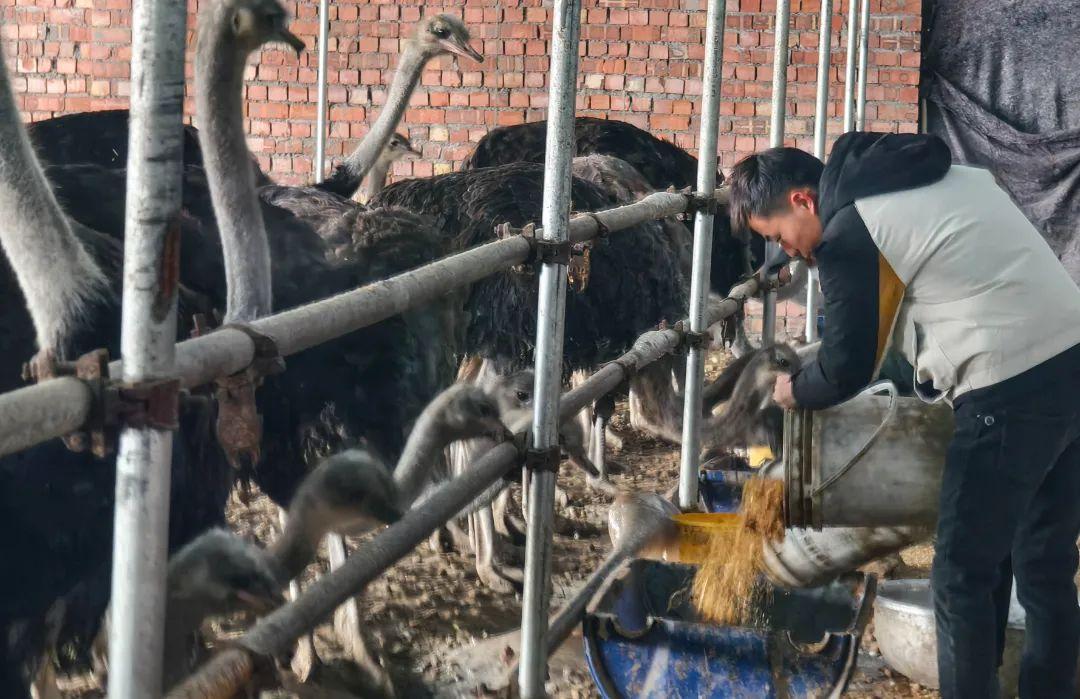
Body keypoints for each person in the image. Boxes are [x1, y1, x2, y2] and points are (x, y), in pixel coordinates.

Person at [727, 132, 1080, 698]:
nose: (790, 254)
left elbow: (846, 367)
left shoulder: (851, 232)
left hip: (1009, 387)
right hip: (1070, 359)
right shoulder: (921, 178)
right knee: (1042, 561)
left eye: (779, 238)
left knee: (961, 572)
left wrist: (796, 391)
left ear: (801, 201)